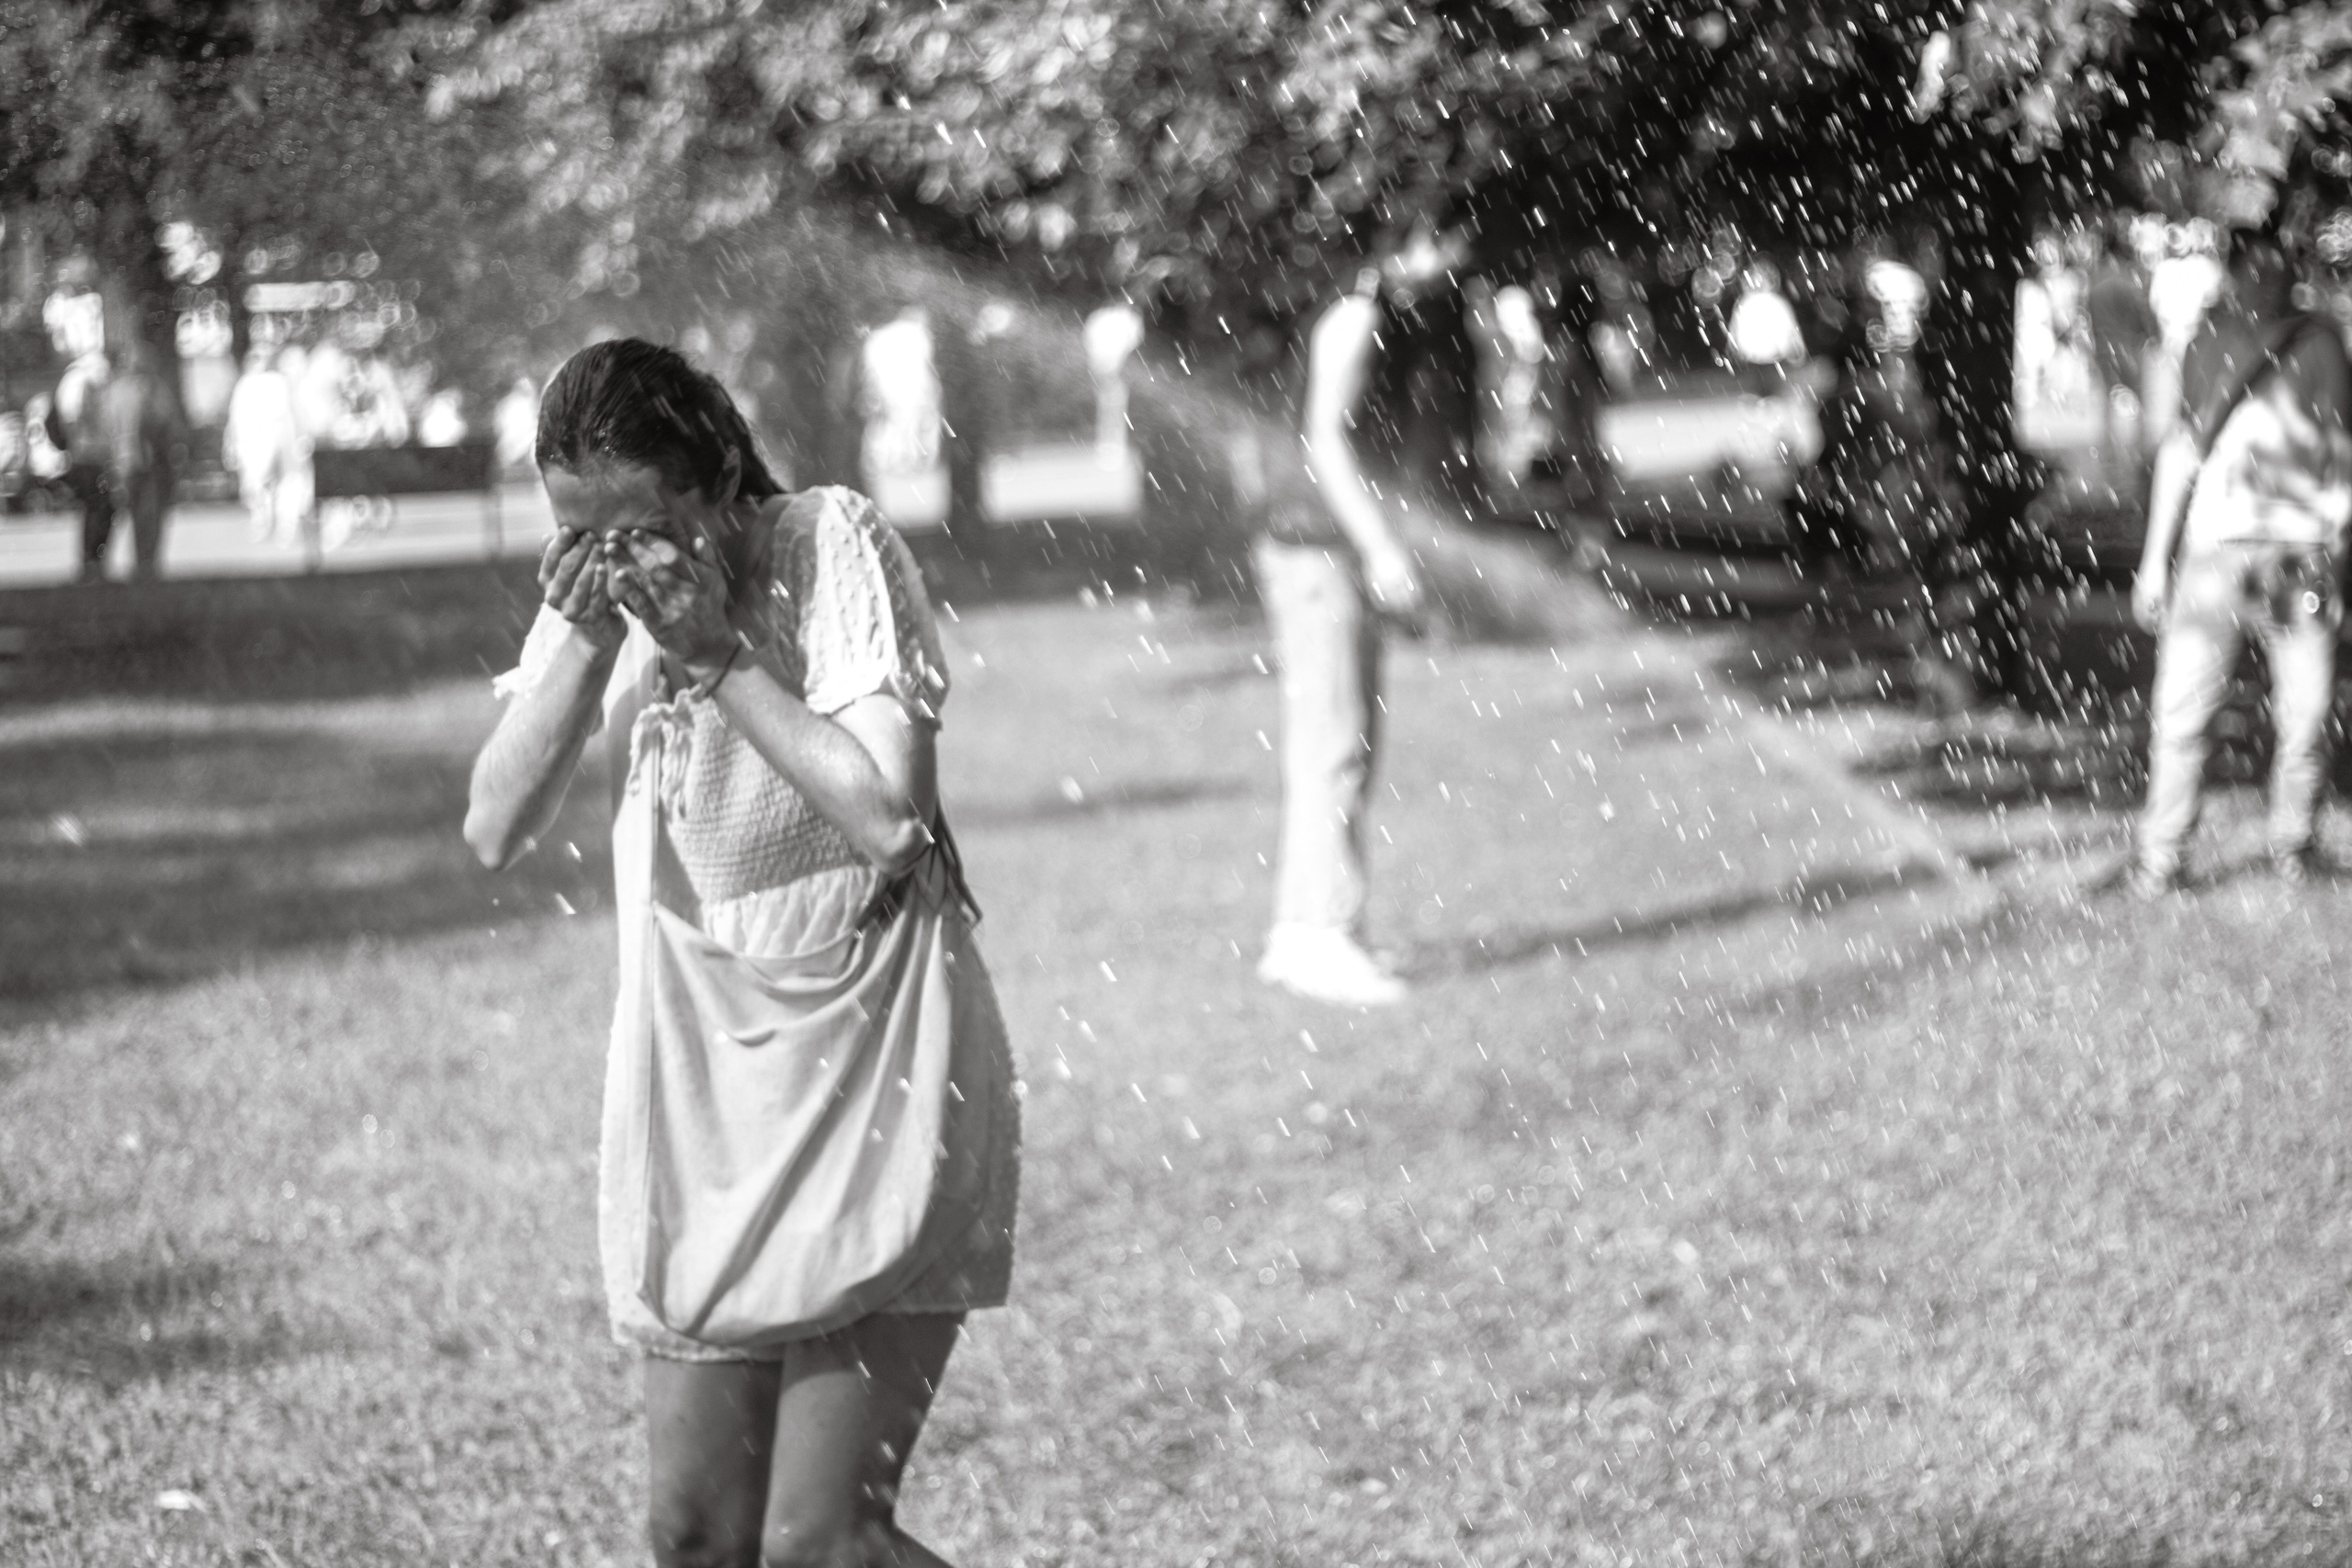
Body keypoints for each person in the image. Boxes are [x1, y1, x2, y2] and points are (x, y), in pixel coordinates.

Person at [464, 339, 1016, 1568]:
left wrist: (716, 656)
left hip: (877, 1053)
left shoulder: (830, 544)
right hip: (702, 1082)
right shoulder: (607, 606)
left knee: (821, 1538)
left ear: (717, 476)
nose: (617, 559)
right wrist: (593, 644)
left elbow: (886, 816)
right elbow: (492, 824)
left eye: (642, 523)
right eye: (581, 533)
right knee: (696, 1532)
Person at [1249, 213, 1468, 1008]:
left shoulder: (1384, 317)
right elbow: (1324, 442)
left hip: (1328, 550)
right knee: (1332, 744)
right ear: (1404, 242)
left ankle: (1312, 927)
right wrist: (1379, 547)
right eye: (1446, 240)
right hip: (1316, 552)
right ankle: (1319, 936)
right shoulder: (1354, 319)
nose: (1455, 257)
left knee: (1347, 742)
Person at [2124, 230, 2352, 896]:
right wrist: (2152, 562)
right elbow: (2181, 451)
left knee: (2305, 709)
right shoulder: (2207, 343)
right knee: (2180, 713)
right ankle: (2161, 860)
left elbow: (2341, 454)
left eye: (2275, 267)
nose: (2264, 278)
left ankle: (2294, 846)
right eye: (2252, 265)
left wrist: (2335, 551)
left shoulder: (2320, 344)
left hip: (2296, 558)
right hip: (2212, 555)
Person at [222, 344, 313, 545]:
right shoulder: (249, 384)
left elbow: (292, 412)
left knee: (280, 484)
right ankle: (267, 524)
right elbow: (235, 419)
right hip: (255, 445)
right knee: (260, 486)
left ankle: (281, 526)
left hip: (274, 442)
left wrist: (299, 438)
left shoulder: (275, 381)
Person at [46, 347, 113, 582]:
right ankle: (92, 559)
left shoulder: (72, 379)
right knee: (99, 507)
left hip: (83, 455)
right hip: (88, 456)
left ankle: (92, 560)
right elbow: (75, 417)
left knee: (96, 508)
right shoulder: (82, 380)